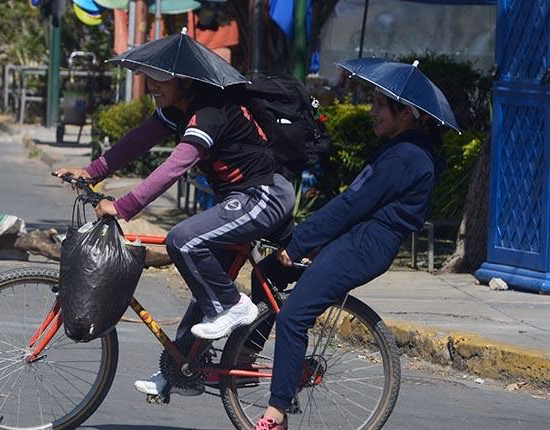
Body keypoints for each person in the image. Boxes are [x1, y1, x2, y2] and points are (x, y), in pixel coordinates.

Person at [54, 68, 295, 397]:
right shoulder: (176, 111)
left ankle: (236, 306)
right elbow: (139, 140)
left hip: (264, 196)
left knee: (182, 239)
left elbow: (173, 167)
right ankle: (177, 369)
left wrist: (124, 206)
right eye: (149, 78)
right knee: (205, 286)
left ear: (185, 80)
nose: (152, 85)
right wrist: (92, 171)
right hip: (238, 201)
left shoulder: (209, 113)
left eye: (161, 79)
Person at [252, 88, 446, 430]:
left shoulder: (407, 156)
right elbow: (353, 203)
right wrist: (306, 240)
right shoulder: (400, 148)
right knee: (266, 275)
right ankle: (244, 361)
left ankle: (276, 414)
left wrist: (300, 244)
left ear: (406, 114)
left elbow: (352, 205)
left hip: (365, 244)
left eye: (380, 105)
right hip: (355, 235)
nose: (372, 111)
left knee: (294, 317)